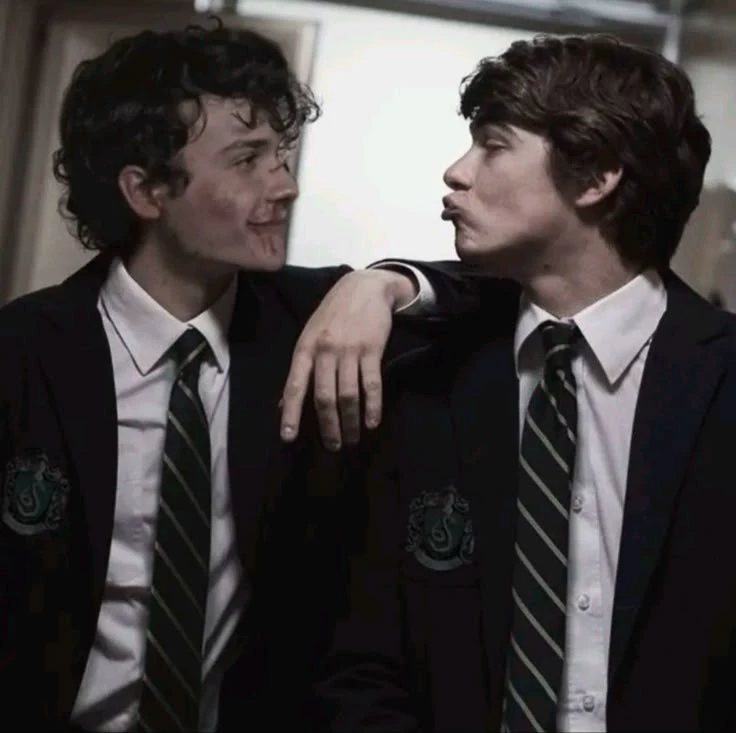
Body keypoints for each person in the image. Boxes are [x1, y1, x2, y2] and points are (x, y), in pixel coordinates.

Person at [0, 20, 472, 732]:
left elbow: (496, 297)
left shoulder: (317, 322)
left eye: (281, 154)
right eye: (248, 159)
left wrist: (385, 282)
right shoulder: (24, 352)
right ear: (147, 190)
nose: (285, 186)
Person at [318, 33, 736, 732]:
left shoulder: (722, 382)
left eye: (493, 145)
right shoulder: (423, 378)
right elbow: (362, 658)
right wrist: (377, 281)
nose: (456, 172)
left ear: (596, 176)